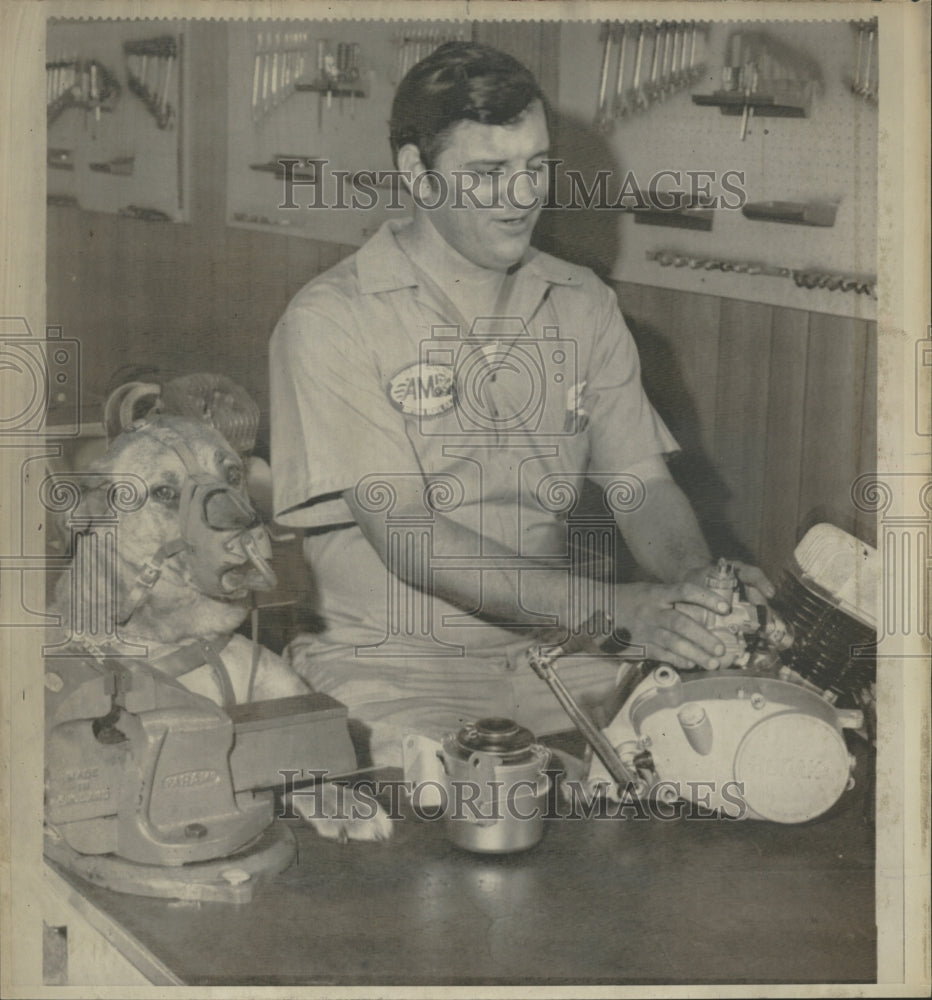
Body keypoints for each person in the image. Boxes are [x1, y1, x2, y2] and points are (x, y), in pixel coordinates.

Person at [270, 42, 776, 766]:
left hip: (557, 650)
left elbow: (642, 488)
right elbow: (411, 537)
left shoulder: (582, 303)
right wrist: (617, 610)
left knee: (718, 749)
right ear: (416, 172)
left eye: (536, 167)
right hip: (396, 671)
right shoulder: (332, 321)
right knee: (472, 800)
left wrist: (693, 585)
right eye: (488, 173)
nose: (521, 197)